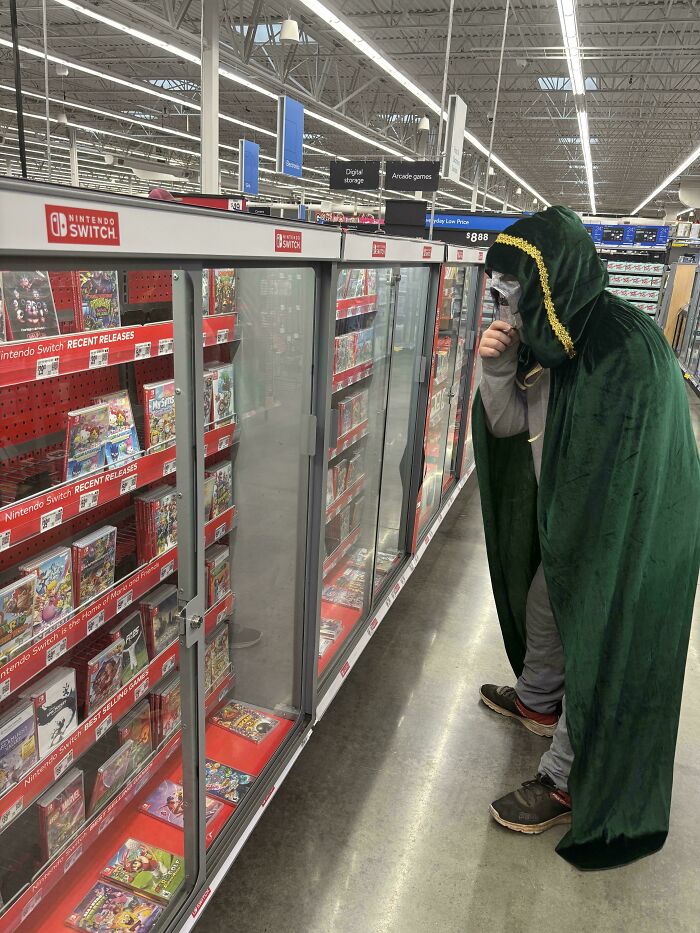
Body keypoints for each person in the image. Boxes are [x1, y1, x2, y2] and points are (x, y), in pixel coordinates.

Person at [472, 206, 700, 870]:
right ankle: (539, 699)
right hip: (574, 523)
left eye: (512, 292)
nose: (504, 306)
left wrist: (583, 534)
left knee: (599, 636)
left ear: (550, 281)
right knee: (547, 601)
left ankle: (568, 777)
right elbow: (511, 423)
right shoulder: (549, 342)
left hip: (631, 534)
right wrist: (495, 368)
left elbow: (632, 477)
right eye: (499, 293)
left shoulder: (625, 346)